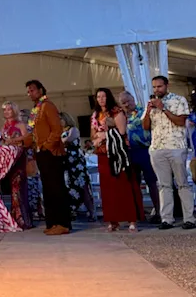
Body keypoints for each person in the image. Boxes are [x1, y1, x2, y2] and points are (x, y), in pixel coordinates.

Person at [143, 76, 196, 230]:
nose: (156, 90)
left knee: (182, 184)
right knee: (163, 185)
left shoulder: (178, 100)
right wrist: (147, 112)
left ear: (167, 86)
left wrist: (163, 108)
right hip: (157, 148)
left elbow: (180, 122)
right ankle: (167, 219)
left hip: (176, 147)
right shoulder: (151, 104)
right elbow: (145, 127)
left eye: (159, 86)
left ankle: (189, 218)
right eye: (154, 87)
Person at [91, 88, 144, 232]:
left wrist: (104, 135)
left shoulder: (116, 111)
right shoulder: (96, 114)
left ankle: (131, 219)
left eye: (104, 96)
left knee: (124, 185)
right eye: (98, 96)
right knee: (108, 189)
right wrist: (97, 137)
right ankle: (113, 219)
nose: (101, 99)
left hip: (118, 153)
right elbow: (93, 134)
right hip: (103, 154)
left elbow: (121, 131)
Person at [25, 80, 71, 235]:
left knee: (56, 188)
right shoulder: (37, 109)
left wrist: (46, 146)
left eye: (32, 90)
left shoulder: (47, 106)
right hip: (42, 153)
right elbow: (33, 133)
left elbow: (57, 129)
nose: (29, 93)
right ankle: (52, 223)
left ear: (40, 90)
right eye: (28, 91)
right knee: (48, 189)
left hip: (51, 153)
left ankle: (62, 223)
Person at [118, 91, 161, 224]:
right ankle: (138, 212)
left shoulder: (143, 111)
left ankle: (159, 211)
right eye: (123, 102)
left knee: (152, 182)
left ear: (133, 99)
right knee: (134, 184)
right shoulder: (121, 115)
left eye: (128, 101)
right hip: (129, 152)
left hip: (145, 150)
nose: (126, 104)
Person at [0, 101, 33, 230]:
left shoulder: (20, 125)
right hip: (9, 161)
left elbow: (28, 138)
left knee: (18, 188)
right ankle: (15, 218)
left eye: (9, 109)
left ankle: (23, 219)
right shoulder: (4, 127)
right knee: (13, 189)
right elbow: (3, 141)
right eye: (5, 110)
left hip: (20, 158)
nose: (7, 112)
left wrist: (13, 140)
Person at [60, 112, 96, 221]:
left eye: (60, 119)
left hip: (76, 163)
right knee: (69, 186)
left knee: (83, 186)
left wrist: (61, 141)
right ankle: (72, 210)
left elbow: (67, 140)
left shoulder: (73, 129)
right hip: (66, 163)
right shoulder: (59, 131)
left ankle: (92, 211)